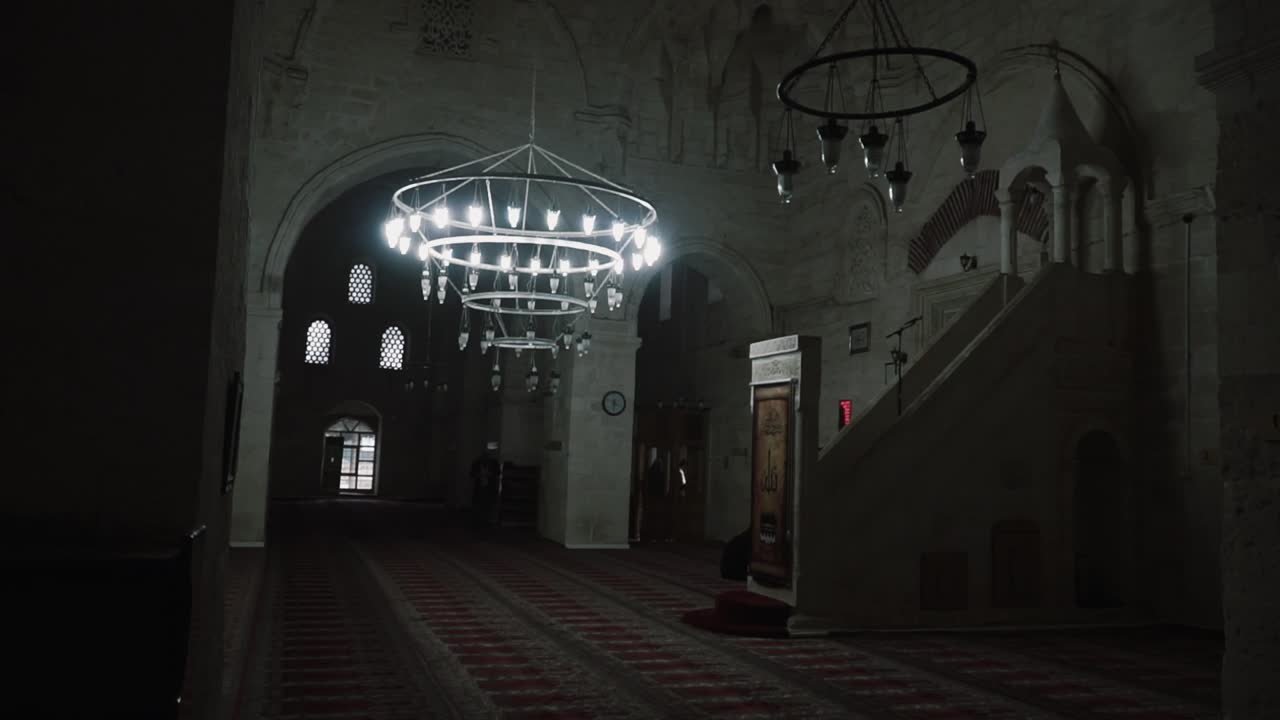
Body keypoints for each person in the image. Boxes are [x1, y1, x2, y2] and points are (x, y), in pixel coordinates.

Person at [470, 441, 501, 530]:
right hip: (479, 488)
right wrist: (479, 475)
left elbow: (497, 473)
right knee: (479, 506)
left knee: (489, 507)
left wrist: (490, 474)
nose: (485, 457)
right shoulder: (476, 463)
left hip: (489, 488)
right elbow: (472, 474)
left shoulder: (494, 463)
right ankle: (479, 523)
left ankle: (487, 523)